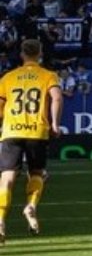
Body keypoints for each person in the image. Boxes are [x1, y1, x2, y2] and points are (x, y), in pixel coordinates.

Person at [0, 39, 62, 242]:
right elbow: (57, 98)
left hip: (11, 131)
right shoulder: (48, 76)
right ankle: (31, 206)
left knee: (7, 178)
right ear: (40, 54)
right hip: (37, 132)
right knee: (36, 173)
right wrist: (54, 124)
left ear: (21, 54)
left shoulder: (8, 78)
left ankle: (0, 219)